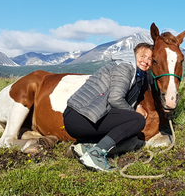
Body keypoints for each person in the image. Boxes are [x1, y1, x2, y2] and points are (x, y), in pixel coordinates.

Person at [62, 43, 153, 172]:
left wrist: (137, 104)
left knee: (130, 139)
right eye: (143, 56)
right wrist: (134, 112)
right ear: (134, 55)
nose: (146, 61)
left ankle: (85, 148)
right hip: (81, 116)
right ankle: (95, 155)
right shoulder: (125, 67)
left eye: (150, 59)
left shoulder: (137, 75)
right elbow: (115, 99)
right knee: (137, 120)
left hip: (83, 117)